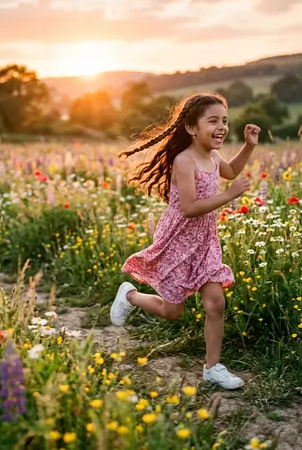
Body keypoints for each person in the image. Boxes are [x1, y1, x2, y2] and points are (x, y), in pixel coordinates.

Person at [110, 92, 260, 389]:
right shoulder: (184, 160)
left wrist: (248, 146)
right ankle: (129, 296)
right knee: (172, 311)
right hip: (178, 240)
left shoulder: (214, 157)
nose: (222, 127)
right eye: (213, 120)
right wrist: (230, 195)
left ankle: (213, 367)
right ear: (192, 128)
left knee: (215, 303)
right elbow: (190, 208)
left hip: (205, 242)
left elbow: (230, 171)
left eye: (225, 121)